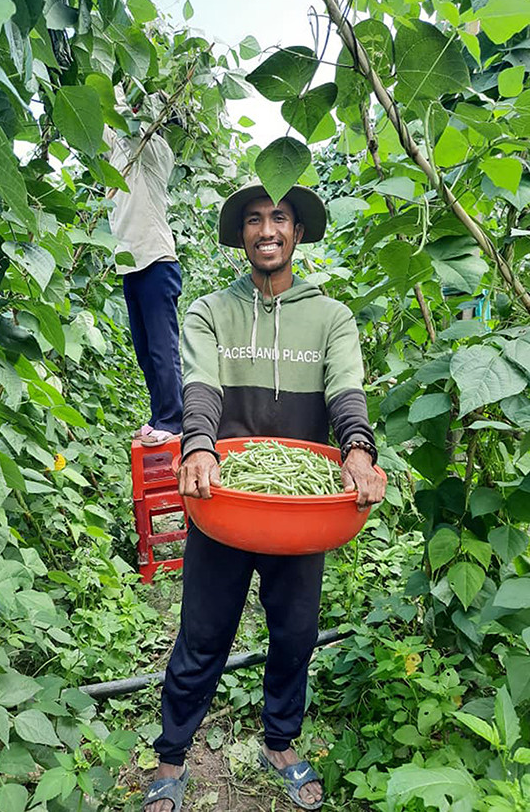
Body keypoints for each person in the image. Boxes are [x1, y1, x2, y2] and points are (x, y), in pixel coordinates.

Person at [142, 182, 386, 812]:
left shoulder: (330, 317)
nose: (268, 228)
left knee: (296, 630)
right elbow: (200, 384)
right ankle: (172, 755)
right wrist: (199, 445)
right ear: (242, 235)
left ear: (297, 232)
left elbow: (345, 391)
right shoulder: (210, 312)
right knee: (203, 631)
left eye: (280, 217)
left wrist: (357, 449)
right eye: (254, 219)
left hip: (299, 513)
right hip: (226, 497)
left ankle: (281, 742)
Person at [103, 87, 182, 446]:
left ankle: (173, 420)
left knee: (161, 347)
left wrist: (123, 91)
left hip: (156, 260)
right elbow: (106, 126)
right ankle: (158, 415)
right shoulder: (120, 154)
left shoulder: (155, 151)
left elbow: (130, 124)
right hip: (131, 264)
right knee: (144, 349)